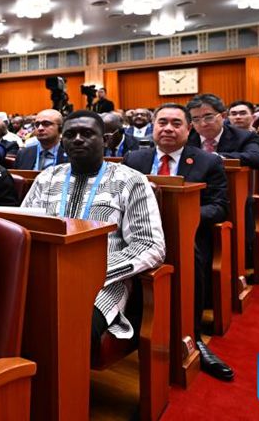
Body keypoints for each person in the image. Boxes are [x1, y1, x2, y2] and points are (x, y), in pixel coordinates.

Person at [21, 111, 164, 348]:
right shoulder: (47, 178)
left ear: (106, 140)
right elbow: (23, 228)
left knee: (68, 327)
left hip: (101, 285)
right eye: (70, 135)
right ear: (62, 142)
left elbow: (150, 244)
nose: (77, 139)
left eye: (87, 133)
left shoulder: (131, 180)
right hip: (43, 277)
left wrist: (93, 272)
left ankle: (65, 385)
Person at [123, 104, 234, 381]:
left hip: (189, 235)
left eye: (176, 123)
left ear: (189, 128)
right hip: (138, 234)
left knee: (190, 255)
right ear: (153, 126)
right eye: (162, 123)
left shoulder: (207, 161)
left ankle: (191, 335)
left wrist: (181, 216)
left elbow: (220, 207)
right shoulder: (134, 159)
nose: (168, 129)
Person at [186, 94, 259, 170]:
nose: (203, 124)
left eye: (208, 117)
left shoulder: (242, 136)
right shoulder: (186, 137)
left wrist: (216, 157)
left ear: (223, 116)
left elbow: (257, 158)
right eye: (196, 119)